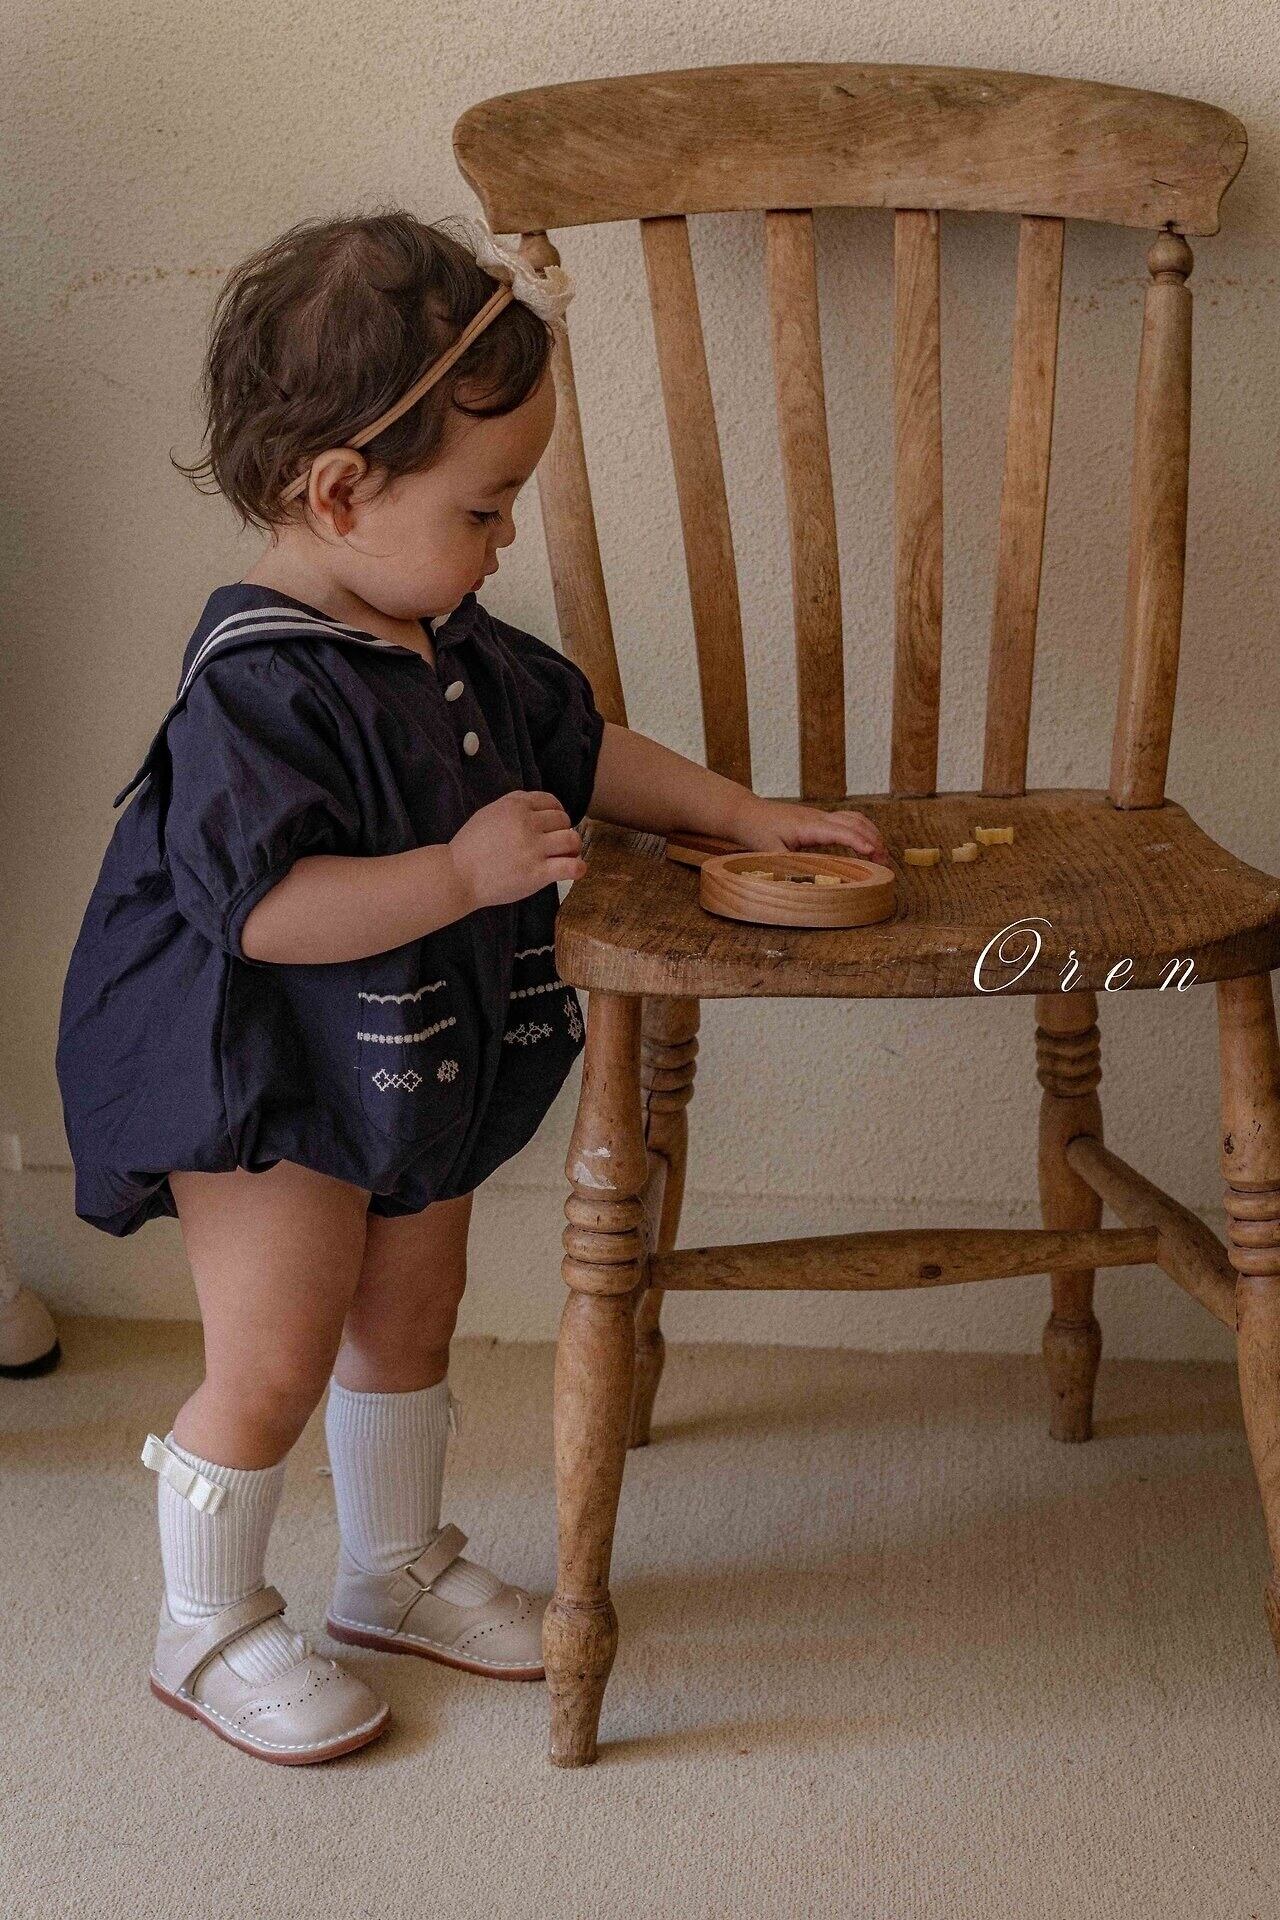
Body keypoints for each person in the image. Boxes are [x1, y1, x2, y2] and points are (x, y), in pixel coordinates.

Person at [55, 207, 889, 1765]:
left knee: (413, 1307)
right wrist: (456, 876)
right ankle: (206, 1626)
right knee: (277, 1352)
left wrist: (739, 812)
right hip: (259, 1070)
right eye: (485, 506)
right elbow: (259, 912)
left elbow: (581, 748)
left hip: (397, 1049)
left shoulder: (437, 630)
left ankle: (391, 1570)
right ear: (340, 492)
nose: (504, 539)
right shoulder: (258, 684)